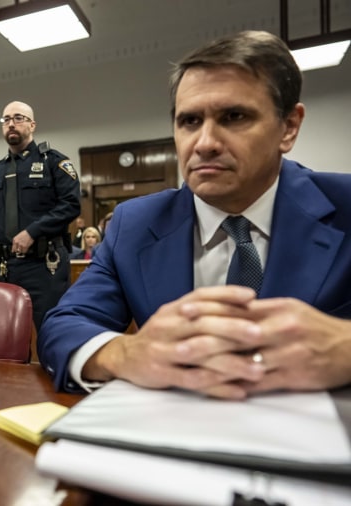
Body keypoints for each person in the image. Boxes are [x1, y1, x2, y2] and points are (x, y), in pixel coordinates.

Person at [38, 30, 351, 399]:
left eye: (234, 116)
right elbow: (63, 325)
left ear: (289, 127)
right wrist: (126, 351)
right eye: (189, 121)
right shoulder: (134, 224)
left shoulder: (343, 206)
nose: (204, 144)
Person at [0, 101, 81, 332]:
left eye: (18, 118)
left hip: (45, 264)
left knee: (53, 333)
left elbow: (71, 205)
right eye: (6, 119)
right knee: (5, 336)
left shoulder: (54, 162)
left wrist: (33, 231)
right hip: (4, 267)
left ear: (32, 125)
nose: (11, 124)